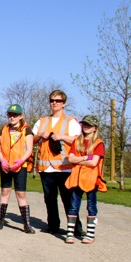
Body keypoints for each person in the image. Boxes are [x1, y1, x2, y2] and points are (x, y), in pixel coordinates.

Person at [33, 90, 84, 237]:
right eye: (52, 100)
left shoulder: (70, 122)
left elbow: (78, 140)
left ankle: (75, 227)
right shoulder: (41, 121)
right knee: (49, 199)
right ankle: (53, 225)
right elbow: (30, 139)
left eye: (58, 101)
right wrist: (39, 135)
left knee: (68, 199)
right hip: (45, 167)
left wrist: (61, 136)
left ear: (64, 103)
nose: (54, 103)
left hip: (64, 167)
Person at [0, 104, 35, 233]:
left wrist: (21, 161)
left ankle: (27, 224)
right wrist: (2, 160)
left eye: (15, 115)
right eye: (10, 114)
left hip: (20, 165)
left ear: (21, 116)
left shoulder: (26, 130)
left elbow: (29, 149)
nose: (12, 117)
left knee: (20, 194)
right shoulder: (4, 129)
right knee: (5, 192)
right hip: (6, 165)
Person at [64, 115, 107, 244]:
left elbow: (94, 162)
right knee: (73, 206)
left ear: (95, 128)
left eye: (89, 125)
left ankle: (90, 233)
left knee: (91, 206)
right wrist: (85, 158)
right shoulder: (77, 141)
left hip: (91, 179)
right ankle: (70, 233)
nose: (86, 127)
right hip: (76, 178)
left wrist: (80, 159)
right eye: (84, 124)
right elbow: (70, 158)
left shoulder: (98, 143)